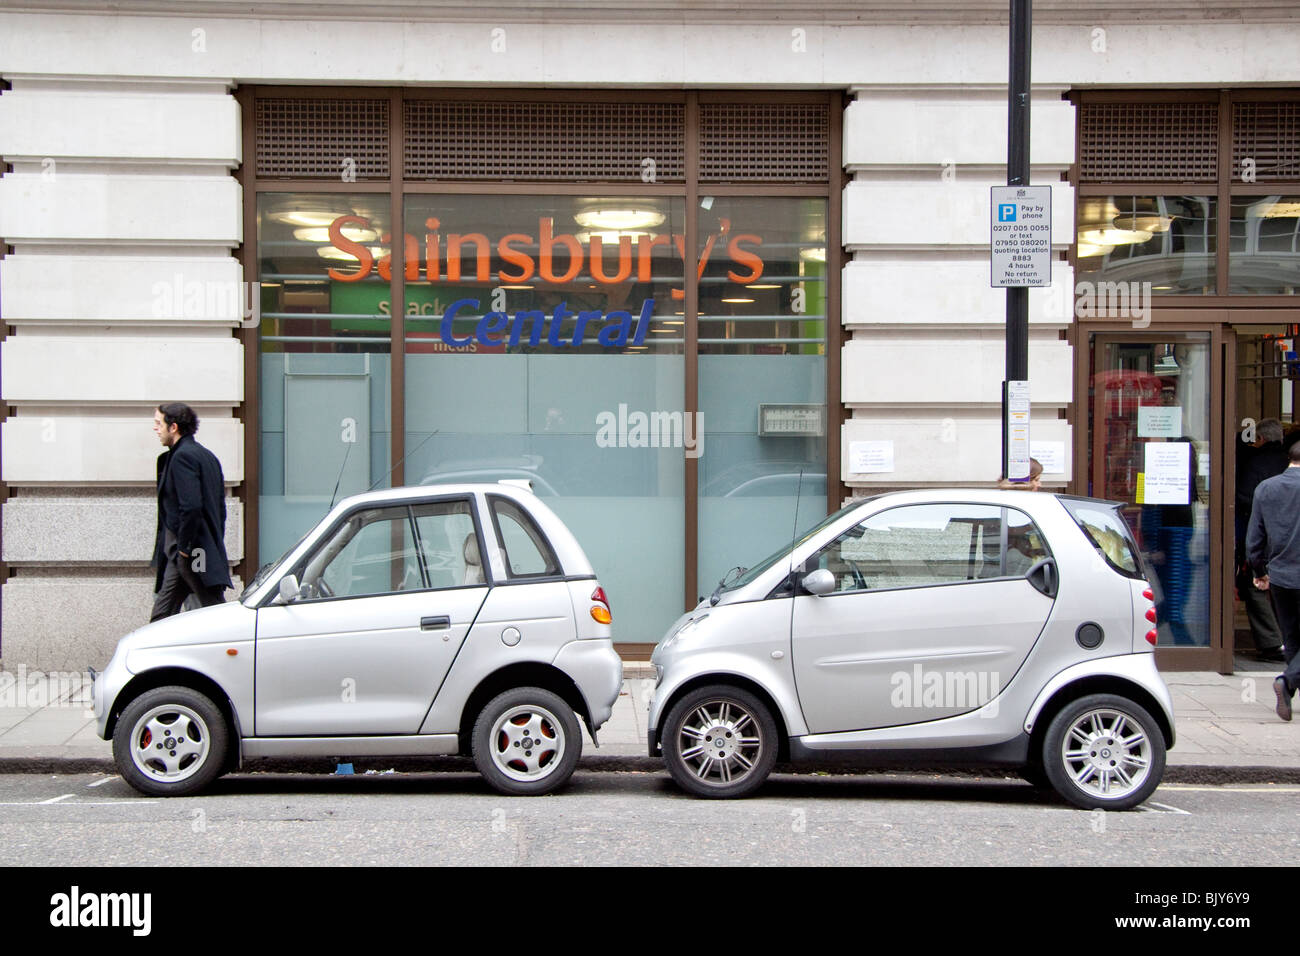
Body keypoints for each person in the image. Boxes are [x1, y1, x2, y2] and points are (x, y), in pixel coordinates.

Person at [150, 402, 232, 621]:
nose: (155, 429)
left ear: (173, 427)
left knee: (206, 611)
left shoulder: (182, 457)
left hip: (189, 552)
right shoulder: (206, 456)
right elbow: (220, 510)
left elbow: (192, 507)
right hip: (197, 552)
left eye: (159, 423)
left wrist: (185, 550)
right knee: (197, 610)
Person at [1246, 442, 1300, 721]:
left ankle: (1288, 695)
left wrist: (1259, 572)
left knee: (1291, 638)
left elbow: (1254, 539)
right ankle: (1287, 682)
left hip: (1280, 576)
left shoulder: (1266, 488)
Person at [1236, 418, 1287, 661]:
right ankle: (1288, 639)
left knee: (1255, 584)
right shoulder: (1290, 461)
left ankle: (1271, 643)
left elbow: (1244, 498)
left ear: (1261, 439)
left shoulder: (1254, 463)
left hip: (1263, 535)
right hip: (1290, 538)